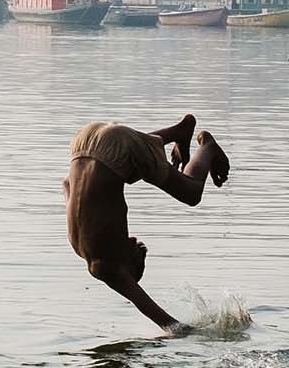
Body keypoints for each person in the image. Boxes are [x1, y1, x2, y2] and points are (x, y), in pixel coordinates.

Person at [65, 115, 230, 331]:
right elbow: (67, 184)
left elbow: (171, 325)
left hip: (117, 150)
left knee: (191, 193)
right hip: (84, 143)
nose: (137, 242)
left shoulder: (108, 270)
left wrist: (204, 337)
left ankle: (207, 146)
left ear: (128, 268)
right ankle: (178, 132)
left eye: (140, 259)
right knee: (132, 166)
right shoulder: (78, 244)